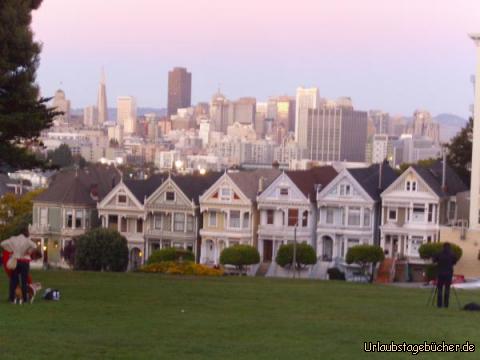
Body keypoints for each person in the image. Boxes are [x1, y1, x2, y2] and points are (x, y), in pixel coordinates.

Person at [0, 229, 37, 304]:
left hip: (16, 260)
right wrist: (29, 251)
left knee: (13, 280)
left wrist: (11, 250)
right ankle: (25, 299)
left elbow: (2, 243)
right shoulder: (27, 240)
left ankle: (11, 298)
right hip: (24, 261)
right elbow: (34, 246)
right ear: (26, 234)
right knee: (24, 281)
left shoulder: (13, 239)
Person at [433, 243, 458, 308]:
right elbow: (454, 262)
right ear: (450, 247)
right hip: (448, 274)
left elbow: (434, 260)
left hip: (440, 273)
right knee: (447, 289)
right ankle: (446, 304)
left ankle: (439, 304)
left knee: (440, 289)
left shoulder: (439, 253)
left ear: (443, 247)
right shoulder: (452, 254)